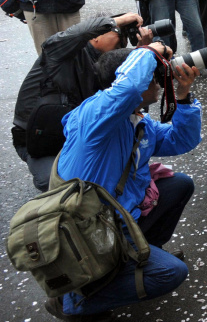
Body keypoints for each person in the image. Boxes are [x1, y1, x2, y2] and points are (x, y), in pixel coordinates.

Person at [46, 43, 201, 322]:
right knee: (171, 274)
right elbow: (128, 89)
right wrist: (149, 50)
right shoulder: (94, 117)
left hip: (117, 220)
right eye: (153, 76)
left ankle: (135, 260)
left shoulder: (138, 121)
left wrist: (184, 97)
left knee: (179, 184)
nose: (157, 82)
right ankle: (75, 302)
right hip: (85, 229)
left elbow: (183, 139)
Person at [12, 13, 151, 191]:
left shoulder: (107, 62)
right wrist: (115, 21)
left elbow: (131, 102)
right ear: (96, 34)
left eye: (125, 40)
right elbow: (64, 38)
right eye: (119, 34)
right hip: (41, 140)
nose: (122, 42)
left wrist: (142, 53)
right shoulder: (63, 53)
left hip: (78, 135)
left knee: (107, 175)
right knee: (62, 184)